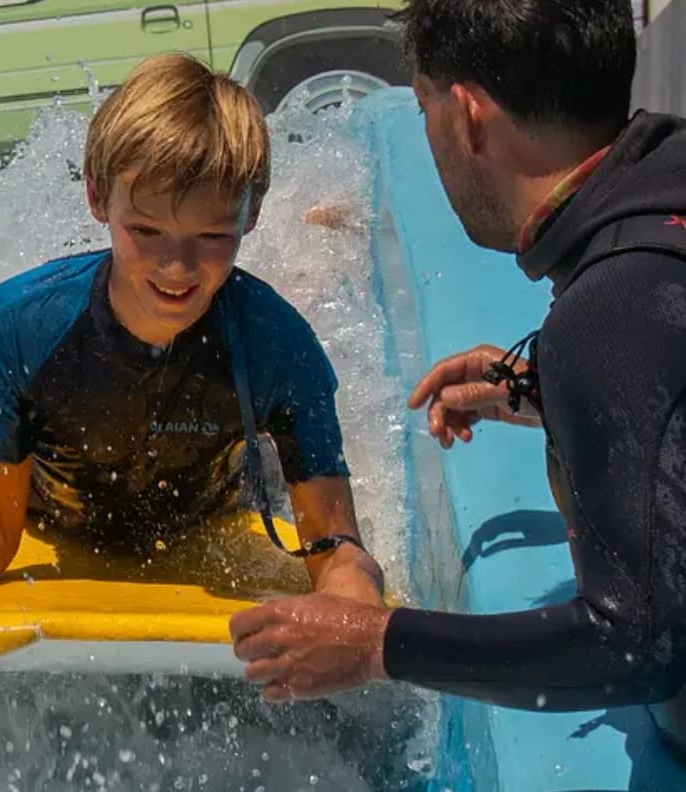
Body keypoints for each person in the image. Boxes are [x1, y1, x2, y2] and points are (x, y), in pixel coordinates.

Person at [228, 0, 686, 754]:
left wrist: (380, 644)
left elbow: (639, 642)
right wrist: (547, 391)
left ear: (467, 116)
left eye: (423, 109)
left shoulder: (612, 314)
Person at [0, 52, 387, 676]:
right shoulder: (27, 322)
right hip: (50, 498)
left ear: (251, 215)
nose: (176, 268)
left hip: (206, 498)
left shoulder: (283, 346)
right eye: (146, 232)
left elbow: (334, 544)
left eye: (212, 238)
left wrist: (353, 597)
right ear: (95, 195)